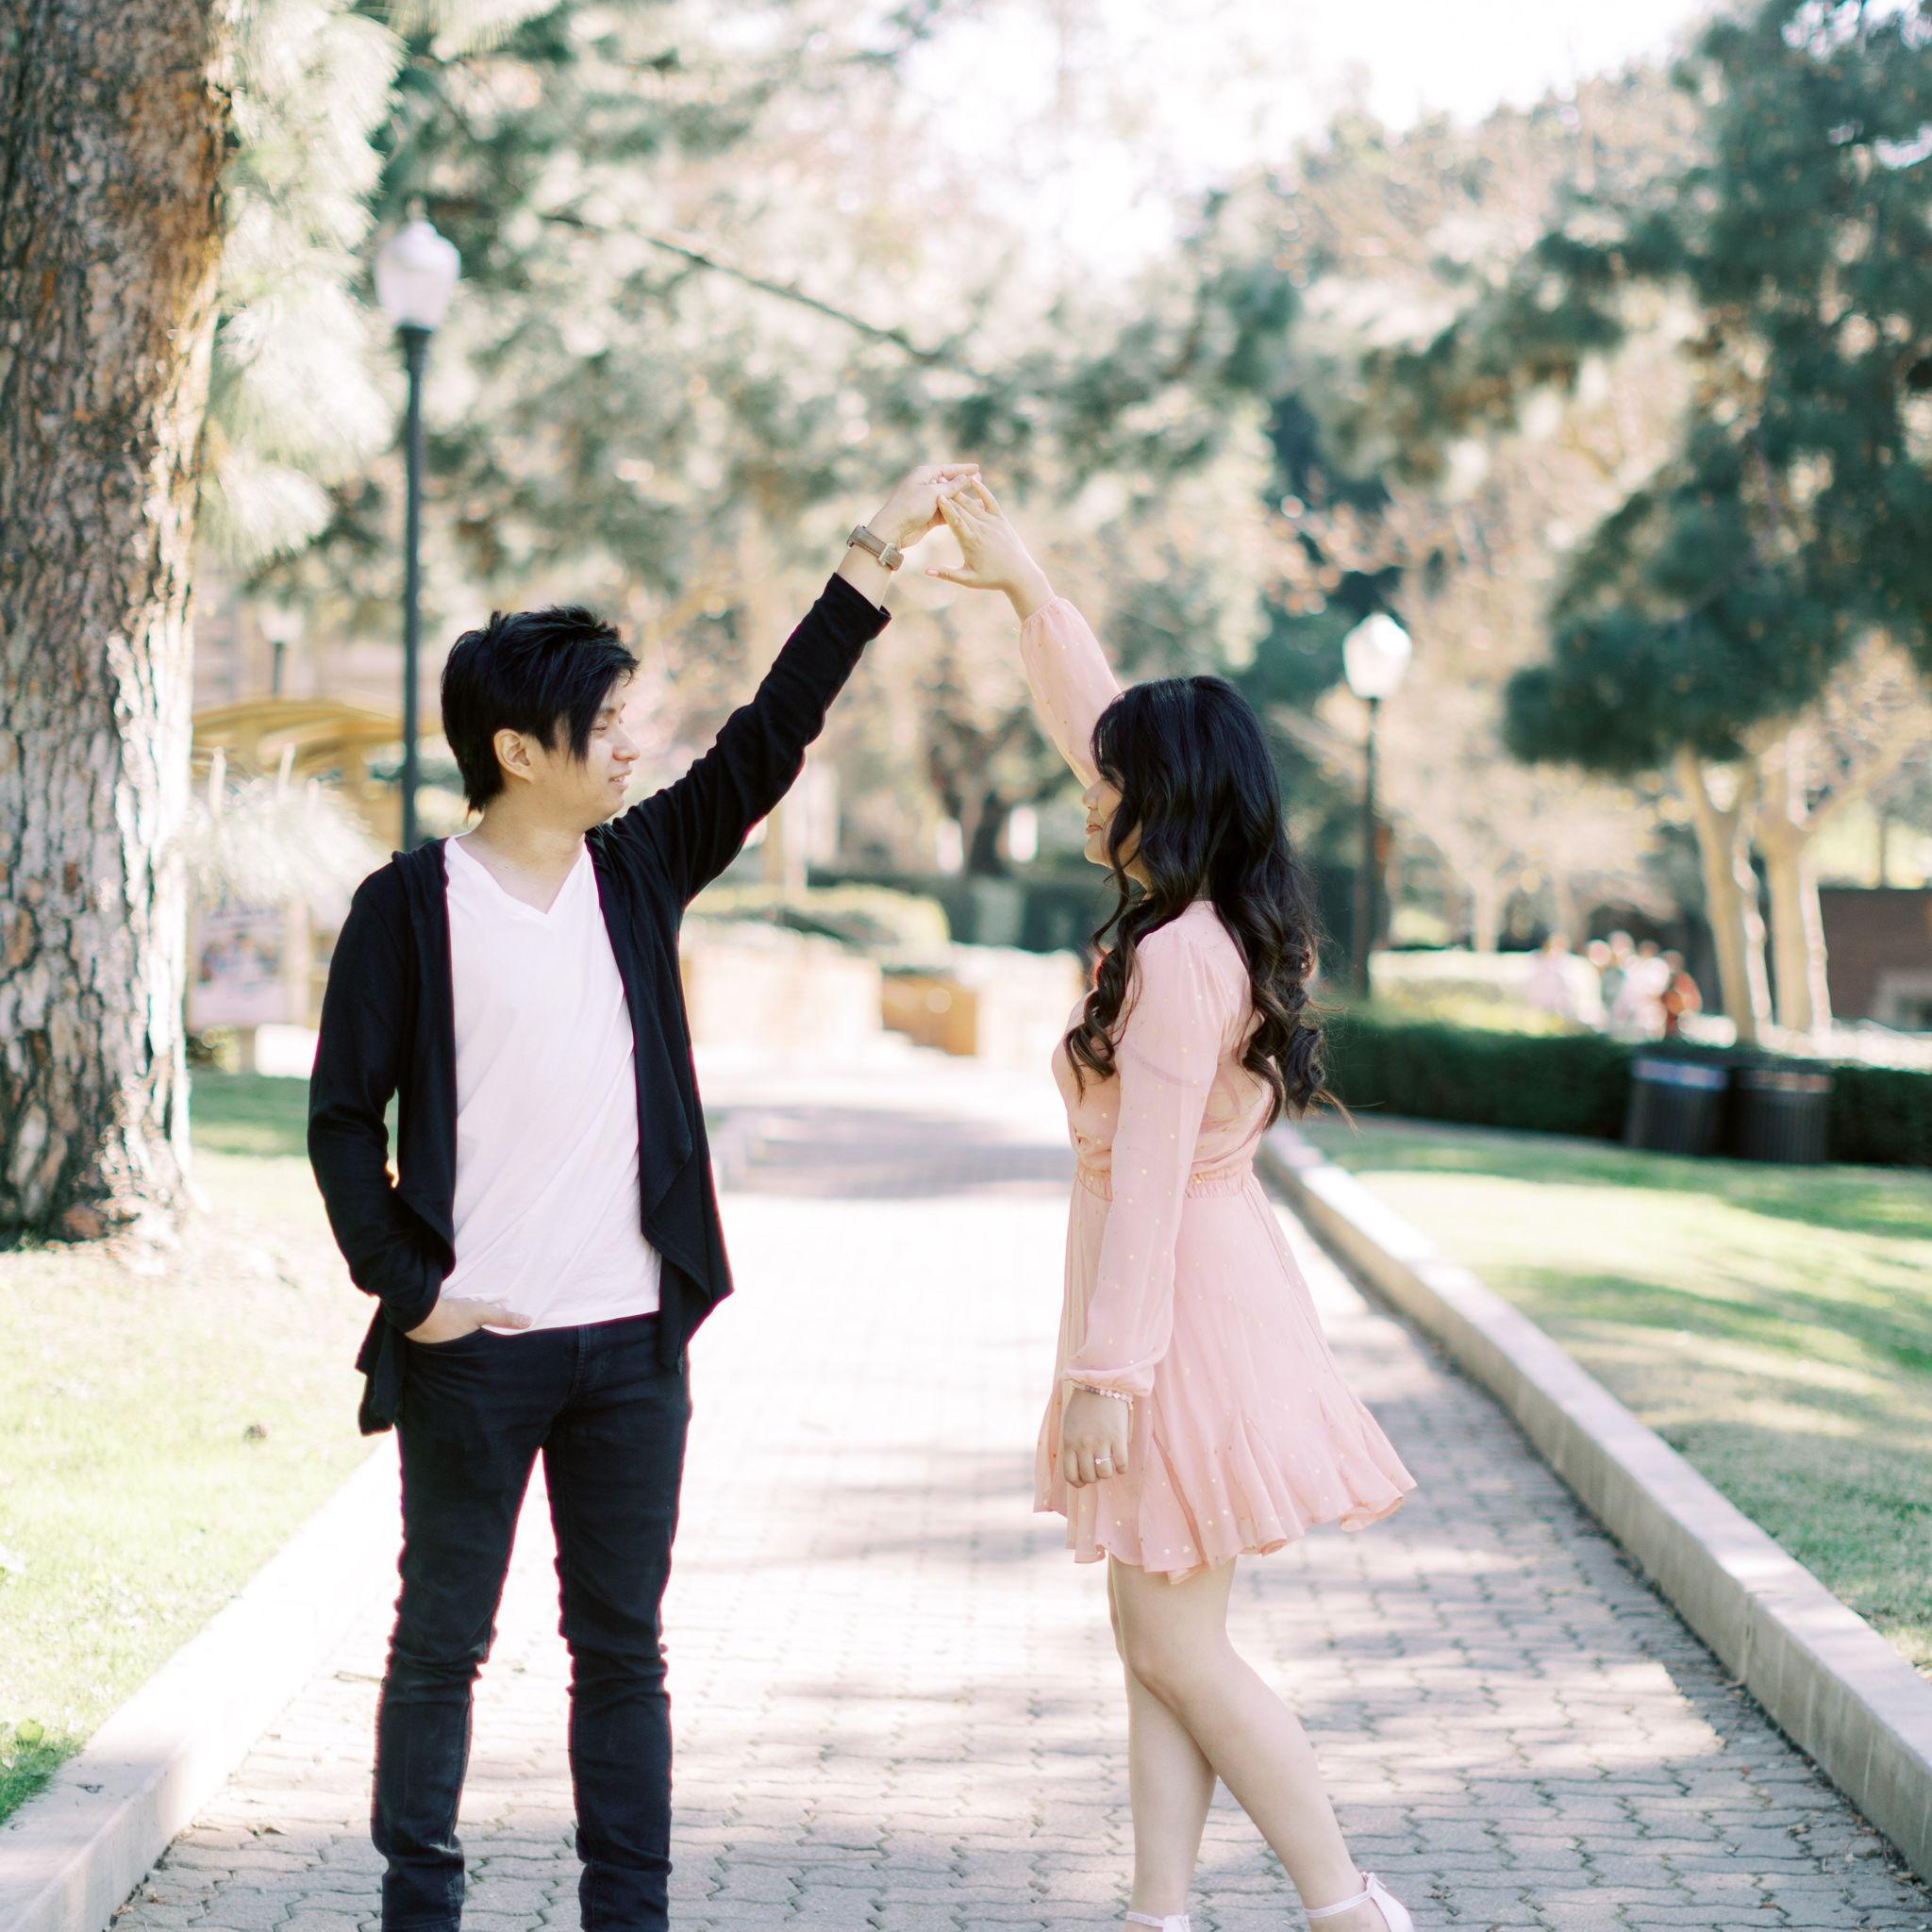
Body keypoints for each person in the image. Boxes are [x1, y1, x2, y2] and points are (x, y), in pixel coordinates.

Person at [306, 462, 977, 1932]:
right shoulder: (408, 910)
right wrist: (416, 1295)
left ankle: (632, 1916)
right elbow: (343, 1124)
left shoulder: (638, 869)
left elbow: (766, 738)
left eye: (625, 720)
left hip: (628, 1347)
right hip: (474, 1352)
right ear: (515, 750)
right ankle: (419, 1909)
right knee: (441, 1646)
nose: (628, 746)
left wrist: (872, 554)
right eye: (600, 726)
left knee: (622, 1652)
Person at [929, 479, 1422, 1932]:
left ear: (1164, 801)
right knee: (1157, 1636)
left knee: (1174, 1644)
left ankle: (1348, 1908)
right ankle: (1159, 1914)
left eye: (1110, 782)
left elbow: (1142, 1185)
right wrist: (1028, 590)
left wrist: (1106, 1378)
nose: (1086, 790)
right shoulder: (1197, 926)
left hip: (1177, 1318)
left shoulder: (1174, 961)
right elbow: (1096, 721)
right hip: (1197, 1296)